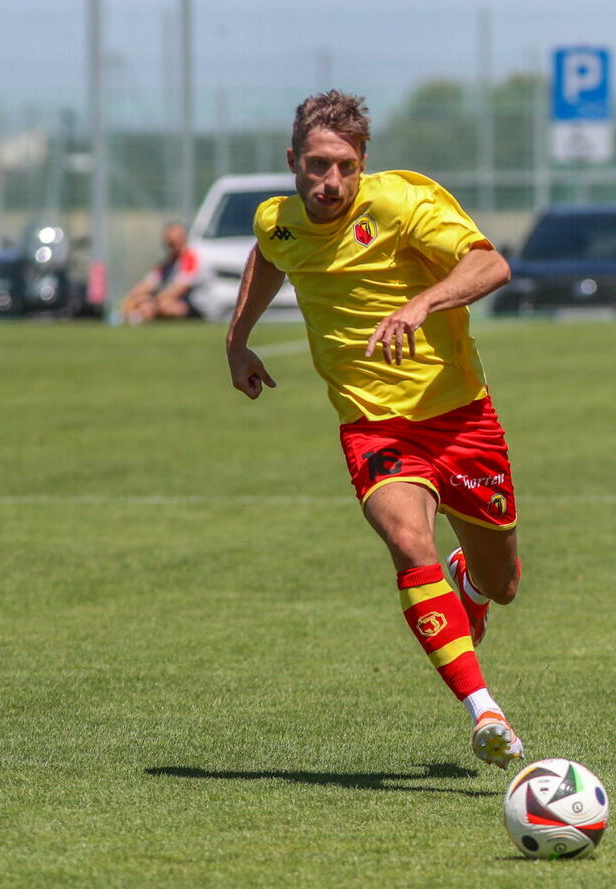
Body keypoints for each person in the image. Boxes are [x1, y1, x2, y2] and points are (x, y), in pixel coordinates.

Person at [224, 90, 524, 769]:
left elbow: (491, 264)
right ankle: (485, 713)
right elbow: (269, 253)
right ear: (292, 161)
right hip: (374, 428)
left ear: (364, 165)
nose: (331, 182)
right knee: (407, 539)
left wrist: (422, 302)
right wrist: (237, 340)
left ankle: (468, 586)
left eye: (346, 167)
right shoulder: (278, 220)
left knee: (502, 583)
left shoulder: (404, 204)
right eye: (318, 166)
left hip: (461, 420)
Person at [121, 222, 206, 323]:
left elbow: (179, 289)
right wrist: (130, 299)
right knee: (143, 301)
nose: (171, 245)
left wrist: (151, 302)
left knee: (164, 305)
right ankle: (138, 316)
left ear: (183, 239)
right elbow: (147, 284)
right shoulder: (167, 263)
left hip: (194, 306)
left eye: (174, 242)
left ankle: (139, 316)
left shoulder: (191, 258)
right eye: (169, 242)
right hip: (169, 301)